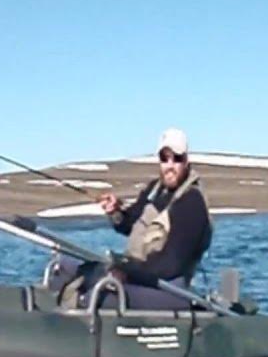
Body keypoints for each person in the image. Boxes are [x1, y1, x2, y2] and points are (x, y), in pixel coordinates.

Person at [51, 127, 213, 310]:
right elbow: (129, 223)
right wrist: (115, 212)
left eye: (177, 159)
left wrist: (126, 272)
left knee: (99, 297)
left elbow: (170, 265)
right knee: (64, 267)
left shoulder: (191, 202)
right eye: (164, 158)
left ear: (186, 160)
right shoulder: (155, 190)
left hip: (169, 289)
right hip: (139, 276)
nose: (170, 165)